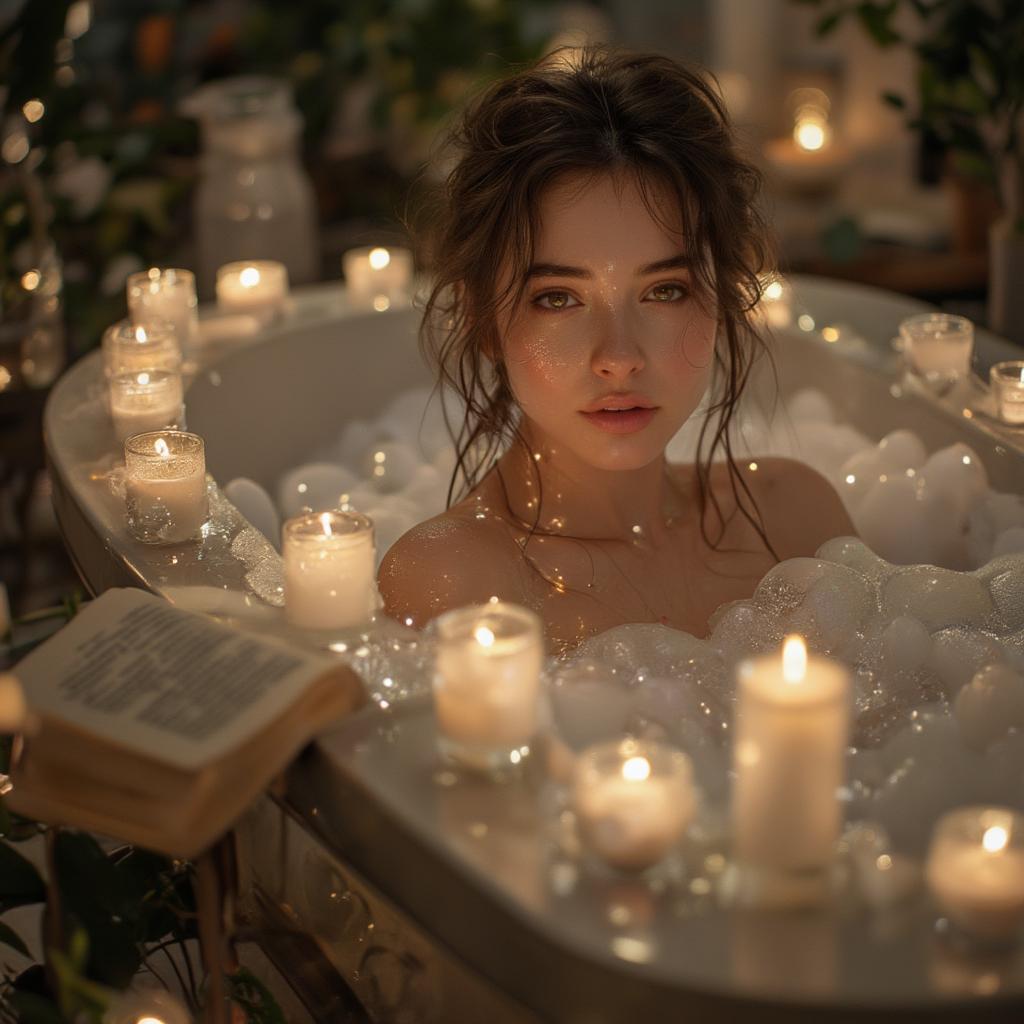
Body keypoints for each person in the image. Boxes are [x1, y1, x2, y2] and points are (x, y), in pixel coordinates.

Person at [379, 47, 854, 654]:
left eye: (664, 290)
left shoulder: (797, 521)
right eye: (557, 298)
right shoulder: (457, 585)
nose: (619, 356)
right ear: (484, 320)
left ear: (726, 295)